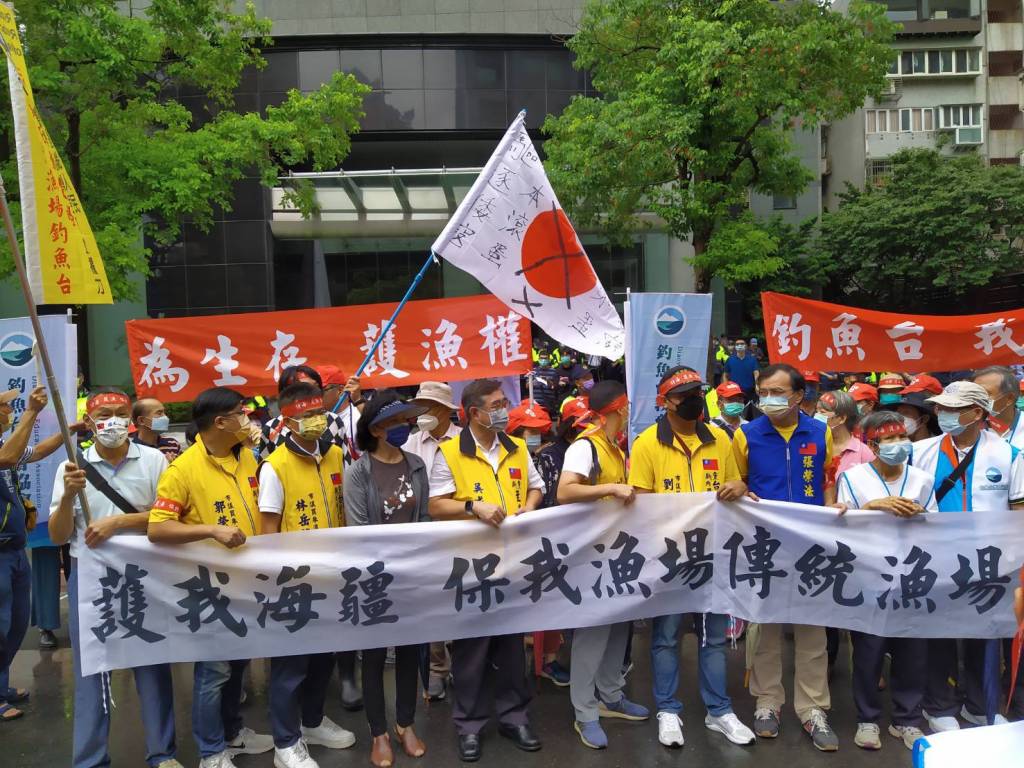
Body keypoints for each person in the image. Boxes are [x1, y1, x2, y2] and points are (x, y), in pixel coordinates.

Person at [48, 388, 182, 768]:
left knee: (153, 662)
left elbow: (170, 516)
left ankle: (163, 754)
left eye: (121, 413)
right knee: (92, 669)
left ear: (131, 419)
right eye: (104, 414)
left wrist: (120, 522)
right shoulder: (72, 466)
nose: (114, 421)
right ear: (89, 423)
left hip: (145, 575)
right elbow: (58, 535)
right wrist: (69, 497)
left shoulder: (154, 460)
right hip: (92, 579)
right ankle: (90, 759)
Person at [630, 367, 756, 749]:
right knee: (666, 637)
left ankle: (719, 711)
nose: (693, 400)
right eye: (683, 395)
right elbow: (641, 504)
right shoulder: (647, 443)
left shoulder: (719, 438)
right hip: (668, 559)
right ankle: (668, 710)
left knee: (713, 637)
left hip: (712, 554)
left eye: (697, 393)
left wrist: (738, 485)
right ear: (665, 402)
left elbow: (736, 483)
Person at [147, 387, 273, 768]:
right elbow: (158, 528)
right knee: (213, 671)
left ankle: (232, 732)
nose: (247, 419)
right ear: (221, 422)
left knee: (238, 663)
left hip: (247, 582)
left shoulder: (247, 456)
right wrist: (211, 530)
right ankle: (211, 751)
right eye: (241, 413)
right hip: (210, 587)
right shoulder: (182, 470)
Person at [428, 378, 544, 762]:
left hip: (513, 562)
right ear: (474, 413)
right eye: (496, 405)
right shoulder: (450, 452)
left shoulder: (515, 447)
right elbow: (436, 505)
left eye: (504, 403)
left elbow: (536, 487)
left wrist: (529, 506)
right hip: (471, 566)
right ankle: (470, 725)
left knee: (511, 646)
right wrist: (471, 506)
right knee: (472, 650)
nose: (504, 410)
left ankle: (514, 717)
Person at [733, 364, 841, 751]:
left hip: (811, 546)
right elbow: (738, 480)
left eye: (778, 392)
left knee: (813, 631)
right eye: (763, 392)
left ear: (798, 396)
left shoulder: (819, 431)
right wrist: (739, 488)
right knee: (767, 629)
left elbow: (827, 478)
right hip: (766, 547)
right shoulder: (746, 434)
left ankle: (813, 708)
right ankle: (767, 702)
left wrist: (832, 505)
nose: (769, 399)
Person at [913, 381, 1024, 732]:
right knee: (938, 635)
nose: (942, 414)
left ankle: (980, 707)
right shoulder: (921, 452)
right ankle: (939, 706)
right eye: (940, 408)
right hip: (936, 561)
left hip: (991, 564)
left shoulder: (1008, 455)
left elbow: (1019, 512)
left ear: (977, 413)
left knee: (985, 637)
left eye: (952, 409)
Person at [258, 382, 356, 768]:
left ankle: (312, 722)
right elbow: (268, 532)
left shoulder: (335, 456)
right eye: (306, 415)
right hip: (294, 582)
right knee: (291, 666)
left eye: (318, 413)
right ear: (287, 421)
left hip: (332, 578)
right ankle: (286, 742)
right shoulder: (275, 466)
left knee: (323, 659)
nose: (315, 421)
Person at [836, 411, 936, 752]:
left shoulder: (922, 479)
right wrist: (872, 507)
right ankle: (867, 719)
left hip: (913, 574)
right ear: (874, 446)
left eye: (902, 438)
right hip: (870, 575)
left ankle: (907, 719)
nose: (898, 445)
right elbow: (840, 525)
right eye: (889, 439)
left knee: (913, 651)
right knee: (869, 650)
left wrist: (921, 515)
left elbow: (938, 525)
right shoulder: (853, 478)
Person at [555, 381, 647, 749]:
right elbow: (565, 490)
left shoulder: (613, 447)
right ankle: (585, 711)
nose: (628, 414)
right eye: (625, 409)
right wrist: (609, 489)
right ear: (617, 410)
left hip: (616, 551)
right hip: (591, 554)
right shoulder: (585, 446)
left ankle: (611, 695)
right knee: (593, 632)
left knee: (619, 625)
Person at [343, 391, 431, 768]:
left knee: (411, 651)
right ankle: (378, 732)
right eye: (394, 422)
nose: (403, 427)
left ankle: (405, 724)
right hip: (374, 577)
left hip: (412, 574)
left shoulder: (416, 466)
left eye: (404, 421)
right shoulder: (358, 472)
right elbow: (359, 529)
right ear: (376, 429)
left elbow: (424, 519)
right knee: (375, 655)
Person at [1, 385, 69, 721]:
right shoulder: (5, 450)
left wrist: (71, 431)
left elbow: (37, 452)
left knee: (15, 624)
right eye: (4, 407)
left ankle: (2, 686)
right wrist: (31, 411)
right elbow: (7, 458)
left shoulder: (5, 442)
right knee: (0, 625)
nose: (8, 412)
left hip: (15, 551)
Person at [404, 381, 461, 701]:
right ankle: (437, 669)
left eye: (428, 406)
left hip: (461, 532)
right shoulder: (411, 444)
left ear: (444, 410)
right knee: (433, 602)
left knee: (463, 597)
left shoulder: (464, 440)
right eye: (419, 406)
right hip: (425, 534)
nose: (421, 412)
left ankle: (464, 665)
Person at [817, 391, 875, 488]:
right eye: (816, 411)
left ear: (841, 418)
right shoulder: (813, 445)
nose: (816, 417)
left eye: (822, 412)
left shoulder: (863, 453)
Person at [974, 365, 1024, 450]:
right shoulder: (967, 427)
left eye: (984, 393)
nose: (976, 399)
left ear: (1009, 399)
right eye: (974, 393)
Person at [131, 397, 182, 462]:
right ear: (141, 420)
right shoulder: (131, 450)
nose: (165, 417)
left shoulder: (173, 443)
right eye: (159, 413)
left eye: (164, 412)